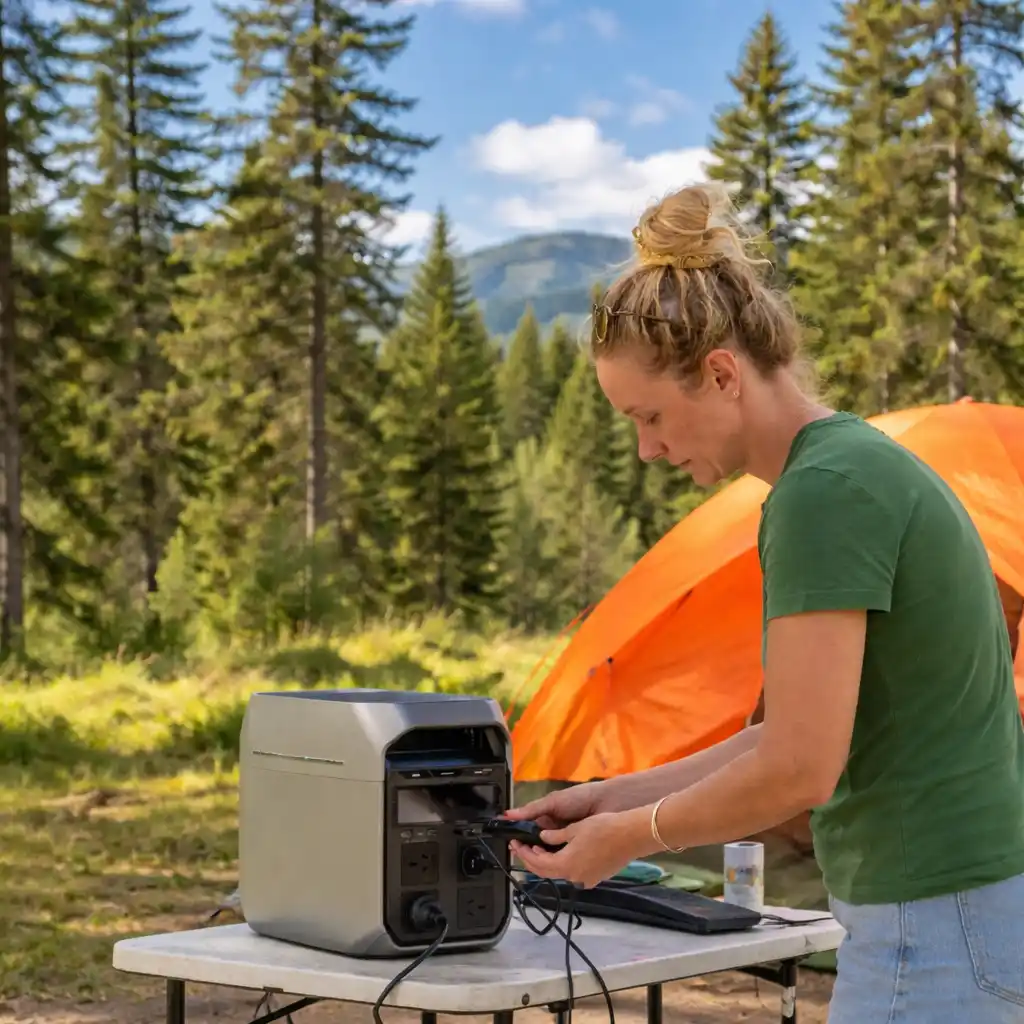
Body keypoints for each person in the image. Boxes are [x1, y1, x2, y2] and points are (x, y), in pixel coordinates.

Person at [505, 182, 1024, 1021]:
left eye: (651, 417)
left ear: (720, 373)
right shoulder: (853, 464)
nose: (646, 450)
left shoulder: (823, 494)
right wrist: (614, 795)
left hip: (934, 930)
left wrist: (627, 841)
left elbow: (798, 770)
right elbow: (781, 735)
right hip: (964, 914)